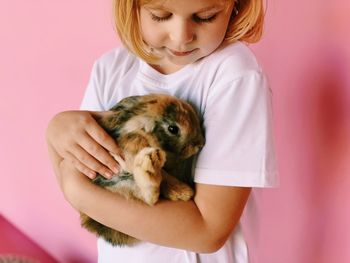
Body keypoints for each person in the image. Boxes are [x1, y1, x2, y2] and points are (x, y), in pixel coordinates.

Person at [46, 0, 278, 262]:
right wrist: (56, 134)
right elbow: (87, 184)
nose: (181, 37)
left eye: (205, 17)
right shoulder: (111, 69)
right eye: (160, 15)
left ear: (236, 5)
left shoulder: (234, 74)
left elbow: (207, 231)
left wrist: (77, 192)